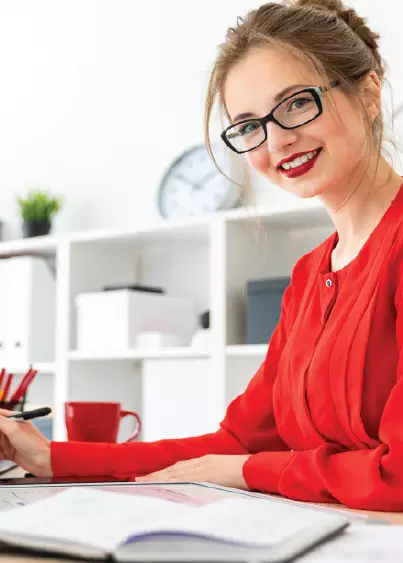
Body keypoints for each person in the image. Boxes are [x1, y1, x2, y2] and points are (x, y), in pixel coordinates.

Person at [1, 0, 403, 511]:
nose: (276, 140)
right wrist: (51, 457)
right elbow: (236, 444)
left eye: (298, 103)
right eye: (249, 125)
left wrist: (248, 470)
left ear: (368, 94)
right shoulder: (308, 277)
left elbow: (395, 476)